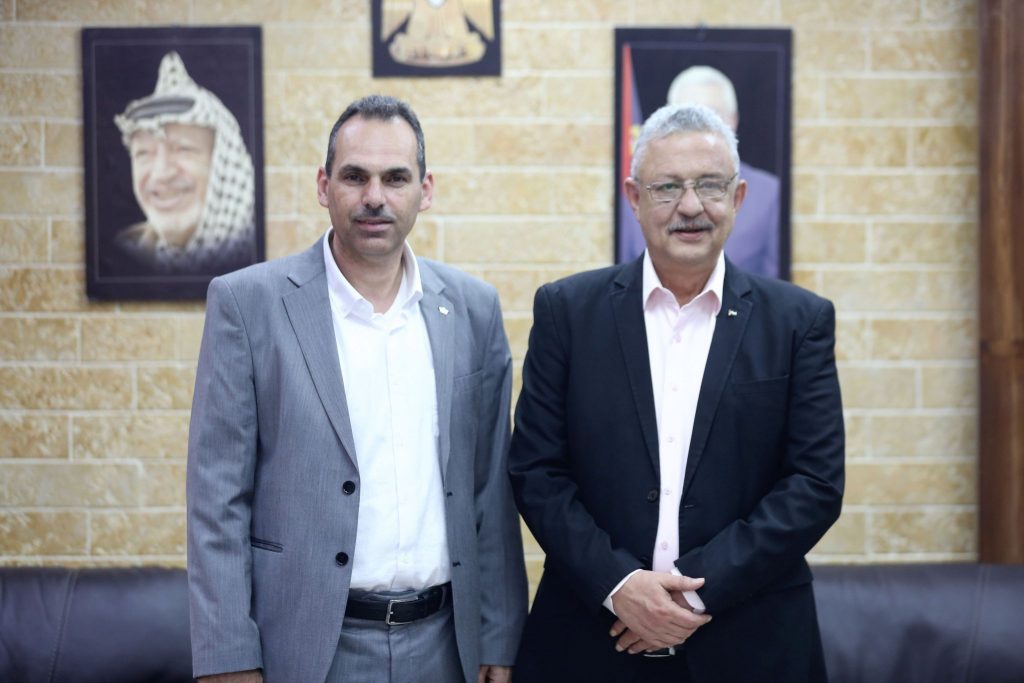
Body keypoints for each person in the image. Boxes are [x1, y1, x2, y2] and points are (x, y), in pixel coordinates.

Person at [187, 94, 528, 683]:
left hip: (446, 646)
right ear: (324, 186)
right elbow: (217, 500)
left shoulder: (473, 309)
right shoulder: (248, 304)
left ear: (425, 190)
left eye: (395, 178)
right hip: (307, 646)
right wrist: (229, 658)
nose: (375, 196)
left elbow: (489, 491)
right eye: (354, 177)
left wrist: (499, 636)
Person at [509, 104, 844, 682]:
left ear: (738, 197)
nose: (690, 206)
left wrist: (689, 595)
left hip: (751, 646)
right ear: (634, 198)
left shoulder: (798, 322)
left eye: (710, 185)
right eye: (667, 187)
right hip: (591, 643)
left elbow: (814, 484)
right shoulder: (568, 313)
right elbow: (536, 472)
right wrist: (620, 585)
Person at [114, 51, 256, 273]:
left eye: (183, 149)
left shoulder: (260, 255)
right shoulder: (125, 252)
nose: (161, 173)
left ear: (221, 165)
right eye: (143, 153)